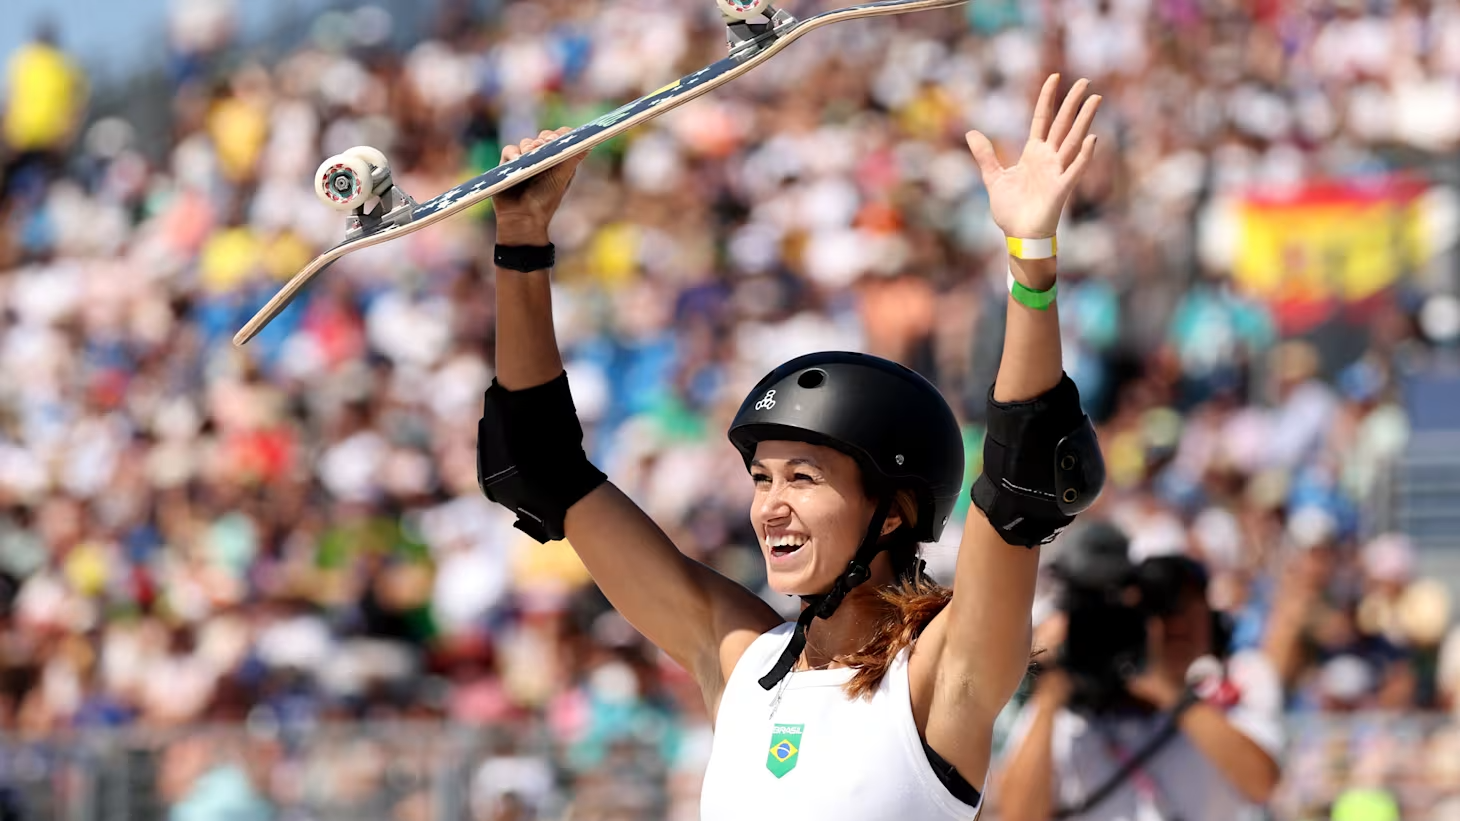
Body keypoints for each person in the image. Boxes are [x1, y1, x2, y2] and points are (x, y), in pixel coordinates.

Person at [475, 72, 1105, 820]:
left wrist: (1030, 262)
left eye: (803, 477)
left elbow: (1024, 480)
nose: (770, 506)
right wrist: (521, 244)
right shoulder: (743, 658)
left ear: (894, 510)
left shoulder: (941, 671)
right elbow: (540, 466)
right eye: (761, 478)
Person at [993, 537, 1285, 821]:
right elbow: (1018, 815)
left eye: (1185, 612)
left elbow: (1262, 784)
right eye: (1158, 615)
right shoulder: (1066, 714)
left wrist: (1168, 693)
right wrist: (1049, 696)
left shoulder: (1228, 695)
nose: (1175, 627)